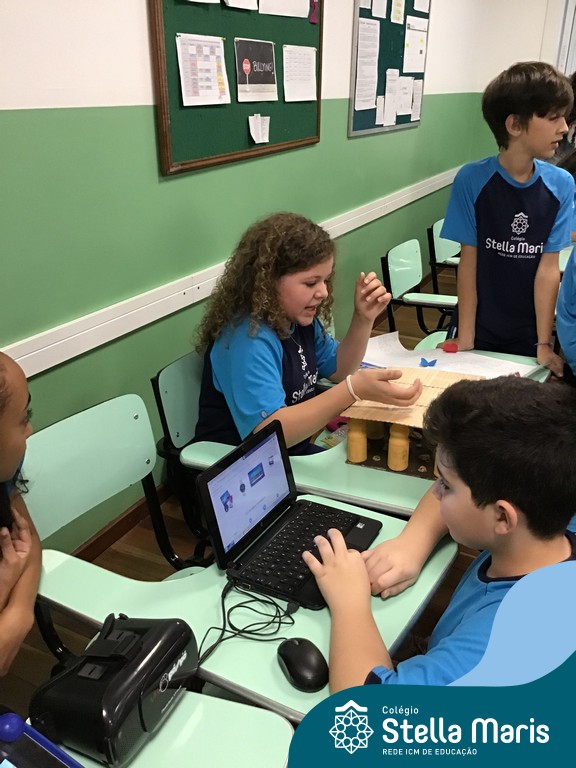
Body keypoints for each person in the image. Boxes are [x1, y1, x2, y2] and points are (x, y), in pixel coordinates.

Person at [303, 376, 576, 690]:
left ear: (502, 517)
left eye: (446, 485)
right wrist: (412, 543)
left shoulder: (501, 647)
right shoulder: (550, 514)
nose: (434, 493)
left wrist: (349, 602)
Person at [194, 212, 422, 455]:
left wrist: (363, 318)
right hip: (244, 467)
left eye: (325, 280)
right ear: (268, 282)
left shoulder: (298, 320)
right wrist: (352, 390)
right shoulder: (247, 339)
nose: (324, 292)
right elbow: (271, 434)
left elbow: (340, 369)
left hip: (288, 453)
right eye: (311, 283)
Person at [441, 61, 574, 377]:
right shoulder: (471, 179)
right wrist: (467, 336)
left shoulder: (561, 184)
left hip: (528, 330)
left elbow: (548, 269)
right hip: (478, 322)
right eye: (553, 117)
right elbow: (469, 262)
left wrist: (544, 343)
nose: (564, 127)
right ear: (514, 125)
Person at [0, 352, 41, 676]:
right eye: (22, 419)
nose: (29, 430)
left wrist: (19, 611)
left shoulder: (5, 477)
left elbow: (30, 540)